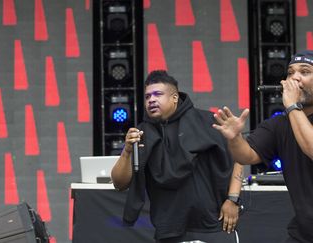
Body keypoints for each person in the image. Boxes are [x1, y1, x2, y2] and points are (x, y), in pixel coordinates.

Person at [111, 70, 244, 243]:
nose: (151, 100)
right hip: (169, 229)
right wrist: (127, 150)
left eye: (158, 94)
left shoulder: (206, 121)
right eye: (147, 97)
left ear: (174, 97)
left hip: (213, 224)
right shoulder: (142, 134)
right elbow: (119, 183)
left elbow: (240, 158)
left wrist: (233, 199)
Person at [213, 50, 313, 243]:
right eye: (290, 73)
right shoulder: (280, 124)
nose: (294, 78)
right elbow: (246, 156)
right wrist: (234, 138)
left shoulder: (291, 113)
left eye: (305, 71)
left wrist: (292, 105)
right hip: (303, 233)